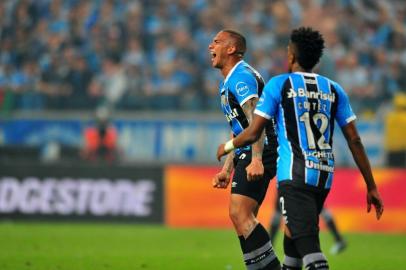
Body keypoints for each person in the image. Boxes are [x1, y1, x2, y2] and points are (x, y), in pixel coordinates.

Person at [216, 27, 384, 270]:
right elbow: (355, 141)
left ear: (291, 57)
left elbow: (254, 130)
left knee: (309, 248)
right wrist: (371, 185)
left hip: (294, 174)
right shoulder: (335, 89)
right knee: (293, 241)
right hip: (324, 175)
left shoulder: (280, 85)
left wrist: (228, 146)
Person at [208, 29, 281, 270]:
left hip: (261, 150)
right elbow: (238, 128)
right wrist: (228, 168)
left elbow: (255, 121)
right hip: (248, 152)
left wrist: (257, 159)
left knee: (240, 213)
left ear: (231, 49)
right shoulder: (230, 80)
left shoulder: (241, 78)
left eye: (216, 42)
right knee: (242, 218)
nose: (211, 46)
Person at [269, 197, 347, 255]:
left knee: (279, 208)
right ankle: (338, 239)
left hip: (292, 181)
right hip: (303, 181)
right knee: (319, 205)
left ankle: (270, 247)